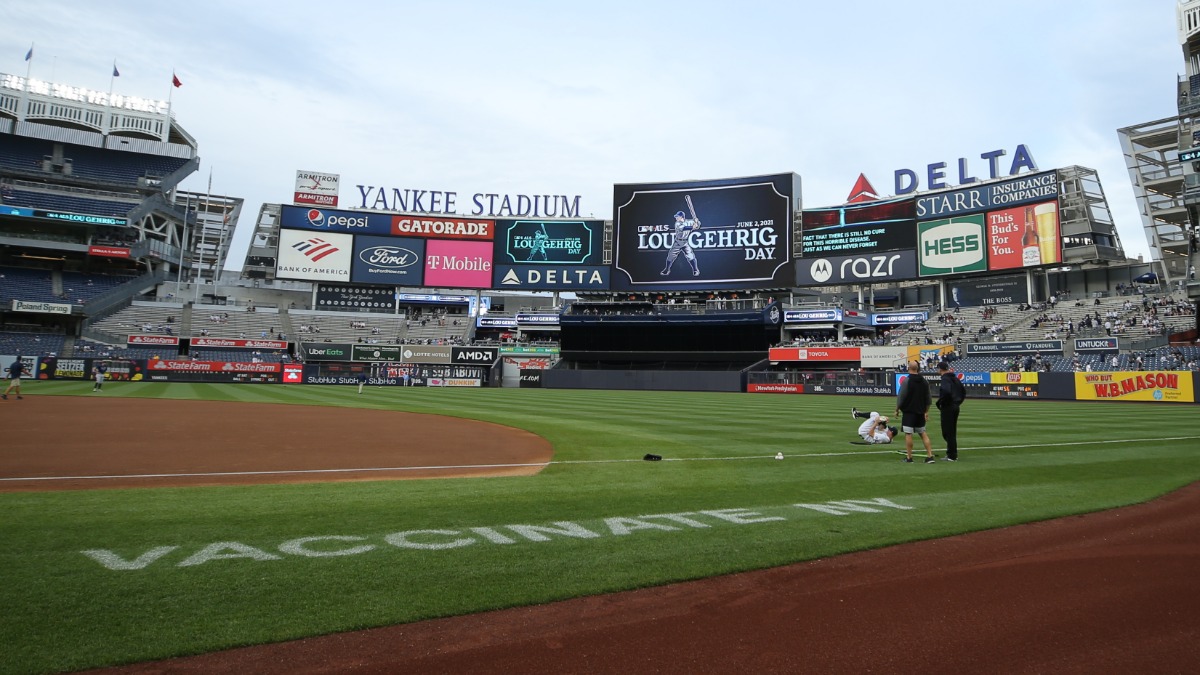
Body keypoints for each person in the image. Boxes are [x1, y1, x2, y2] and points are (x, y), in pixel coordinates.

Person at [895, 361, 935, 463]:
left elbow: (901, 397)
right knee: (923, 433)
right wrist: (926, 411)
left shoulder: (907, 381)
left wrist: (897, 409)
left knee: (908, 434)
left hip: (909, 412)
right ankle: (930, 456)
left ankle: (909, 457)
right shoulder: (924, 381)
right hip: (920, 411)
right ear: (918, 368)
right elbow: (928, 399)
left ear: (909, 368)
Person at [936, 361, 966, 461]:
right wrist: (958, 402)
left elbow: (946, 391)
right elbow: (963, 392)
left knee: (947, 432)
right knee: (951, 431)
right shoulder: (955, 378)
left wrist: (941, 402)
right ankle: (952, 453)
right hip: (955, 406)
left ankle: (952, 455)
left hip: (948, 407)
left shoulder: (945, 379)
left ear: (940, 369)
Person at [660, 209, 701, 277]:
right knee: (671, 255)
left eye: (677, 216)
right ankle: (667, 269)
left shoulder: (689, 221)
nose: (676, 218)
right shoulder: (677, 224)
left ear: (681, 217)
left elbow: (698, 226)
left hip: (685, 242)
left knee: (690, 255)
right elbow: (685, 228)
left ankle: (695, 270)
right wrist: (693, 226)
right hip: (678, 242)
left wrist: (697, 222)